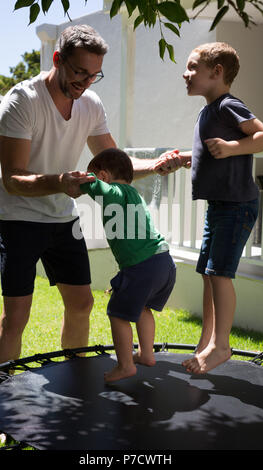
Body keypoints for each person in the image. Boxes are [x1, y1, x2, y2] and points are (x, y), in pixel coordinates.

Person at [0, 24, 180, 368]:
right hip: (19, 217)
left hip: (62, 216)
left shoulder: (90, 103)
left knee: (81, 305)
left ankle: (73, 382)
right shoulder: (23, 100)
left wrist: (156, 165)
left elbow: (116, 163)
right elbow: (13, 179)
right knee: (16, 317)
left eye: (94, 75)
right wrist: (60, 181)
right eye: (79, 71)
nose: (86, 81)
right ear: (58, 59)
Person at [156, 42, 263, 374]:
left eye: (193, 67)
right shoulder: (208, 110)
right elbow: (214, 154)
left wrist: (233, 146)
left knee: (220, 274)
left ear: (216, 71)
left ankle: (221, 346)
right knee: (209, 275)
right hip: (220, 205)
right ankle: (207, 342)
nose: (186, 73)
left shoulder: (227, 105)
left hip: (236, 205)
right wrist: (185, 159)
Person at [80, 148, 176, 382]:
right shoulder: (133, 193)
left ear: (103, 175)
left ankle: (125, 365)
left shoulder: (113, 191)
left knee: (118, 314)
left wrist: (81, 180)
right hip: (163, 262)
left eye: (96, 176)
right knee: (143, 309)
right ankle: (146, 354)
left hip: (142, 266)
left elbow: (95, 186)